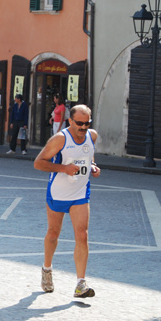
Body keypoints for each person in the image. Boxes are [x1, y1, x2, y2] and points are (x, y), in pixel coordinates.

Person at [33, 104, 101, 298]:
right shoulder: (60, 139)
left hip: (80, 192)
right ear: (70, 121)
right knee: (54, 234)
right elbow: (38, 163)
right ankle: (47, 269)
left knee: (82, 235)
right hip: (58, 192)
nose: (83, 127)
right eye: (79, 123)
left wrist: (93, 167)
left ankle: (81, 283)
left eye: (87, 123)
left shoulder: (92, 136)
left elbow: (88, 156)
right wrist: (64, 168)